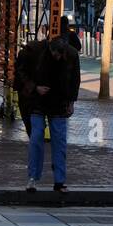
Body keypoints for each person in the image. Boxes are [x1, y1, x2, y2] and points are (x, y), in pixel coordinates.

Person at [25, 34, 81, 193]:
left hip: (59, 101)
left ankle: (59, 181)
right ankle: (33, 177)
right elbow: (23, 72)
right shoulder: (37, 51)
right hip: (39, 100)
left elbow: (75, 79)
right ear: (50, 49)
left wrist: (71, 102)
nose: (58, 58)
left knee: (59, 141)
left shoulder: (71, 54)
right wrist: (35, 87)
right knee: (37, 138)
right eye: (56, 54)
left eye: (61, 55)